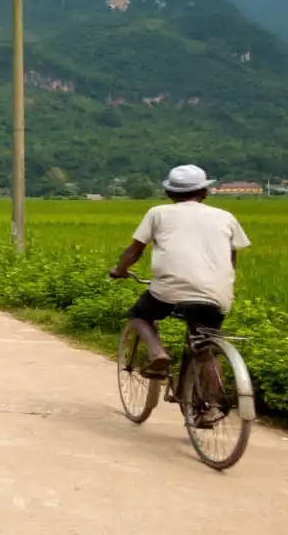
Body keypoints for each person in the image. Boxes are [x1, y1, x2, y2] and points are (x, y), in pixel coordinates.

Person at [108, 165, 251, 419]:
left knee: (140, 316)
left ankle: (157, 353)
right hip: (215, 291)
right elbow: (231, 259)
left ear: (168, 193)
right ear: (205, 192)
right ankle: (211, 408)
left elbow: (135, 251)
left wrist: (119, 270)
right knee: (205, 343)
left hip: (169, 289)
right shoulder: (225, 216)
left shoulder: (158, 213)